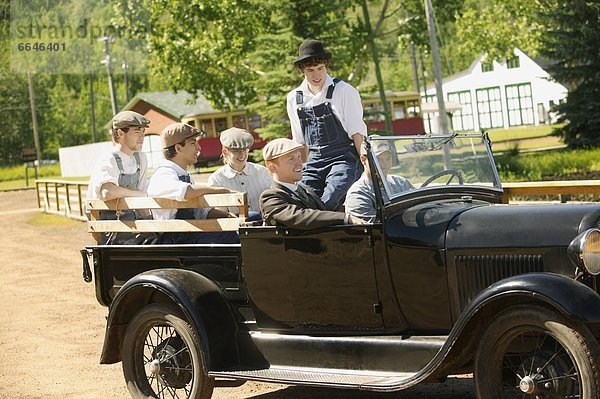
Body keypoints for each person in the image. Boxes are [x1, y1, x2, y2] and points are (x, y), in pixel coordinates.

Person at [286, 38, 367, 211]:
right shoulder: (294, 98)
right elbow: (300, 143)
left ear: (326, 66)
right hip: (313, 162)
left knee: (330, 199)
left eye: (320, 69)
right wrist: (300, 170)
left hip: (343, 159)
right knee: (302, 200)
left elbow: (358, 134)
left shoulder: (344, 91)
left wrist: (367, 167)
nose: (316, 75)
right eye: (310, 70)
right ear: (302, 71)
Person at [146, 123, 239, 244]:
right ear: (178, 148)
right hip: (174, 239)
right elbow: (186, 192)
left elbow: (200, 212)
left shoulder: (184, 175)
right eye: (193, 143)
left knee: (252, 218)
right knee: (230, 236)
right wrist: (221, 190)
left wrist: (226, 215)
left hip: (190, 232)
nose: (199, 148)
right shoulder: (163, 174)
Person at [260, 138, 366, 230]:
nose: (299, 163)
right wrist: (345, 218)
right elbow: (299, 217)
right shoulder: (270, 197)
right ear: (272, 167)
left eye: (299, 157)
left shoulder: (306, 191)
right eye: (291, 159)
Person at [85, 110, 151, 244]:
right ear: (120, 133)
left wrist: (150, 225)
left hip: (133, 225)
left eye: (143, 131)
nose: (142, 136)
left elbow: (142, 198)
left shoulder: (141, 158)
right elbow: (107, 192)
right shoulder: (109, 159)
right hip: (110, 230)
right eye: (137, 132)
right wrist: (139, 194)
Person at [208, 127, 272, 219]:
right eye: (236, 151)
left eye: (245, 149)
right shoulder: (217, 179)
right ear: (225, 152)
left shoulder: (262, 172)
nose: (242, 154)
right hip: (236, 228)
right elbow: (222, 215)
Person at [344, 140, 413, 223]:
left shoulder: (402, 183)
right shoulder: (358, 194)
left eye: (388, 158)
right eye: (378, 160)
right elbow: (378, 227)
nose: (385, 165)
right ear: (363, 160)